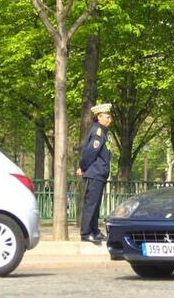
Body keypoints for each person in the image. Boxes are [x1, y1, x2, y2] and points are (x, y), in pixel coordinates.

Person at [78, 103, 113, 243]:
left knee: (96, 204)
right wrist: (83, 167)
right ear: (99, 117)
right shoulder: (98, 132)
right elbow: (89, 153)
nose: (110, 120)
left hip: (100, 173)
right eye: (107, 117)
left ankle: (94, 230)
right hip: (95, 173)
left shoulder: (103, 132)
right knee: (91, 204)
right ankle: (86, 233)